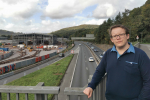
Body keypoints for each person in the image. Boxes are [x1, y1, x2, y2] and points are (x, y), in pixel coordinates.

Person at [83, 24, 150, 100]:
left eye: (121, 34)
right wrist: (91, 86)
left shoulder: (140, 55)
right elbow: (99, 71)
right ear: (112, 39)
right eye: (115, 36)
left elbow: (148, 81)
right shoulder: (108, 53)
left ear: (127, 36)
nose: (118, 38)